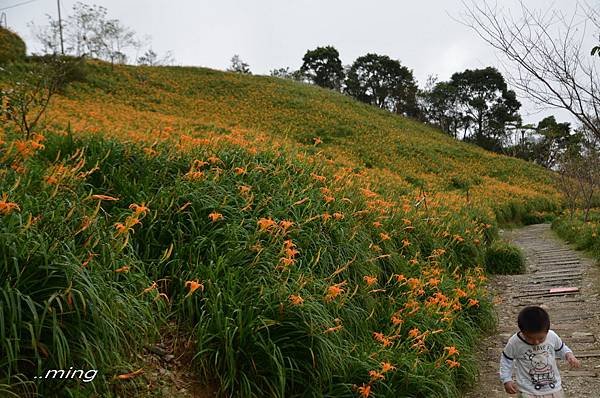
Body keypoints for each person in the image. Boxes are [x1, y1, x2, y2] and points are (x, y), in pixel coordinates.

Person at [499, 306, 581, 397]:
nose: (536, 342)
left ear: (547, 331)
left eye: (541, 338)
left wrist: (569, 355)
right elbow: (506, 360)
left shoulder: (552, 336)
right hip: (527, 390)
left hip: (554, 388)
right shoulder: (514, 343)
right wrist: (506, 379)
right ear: (522, 331)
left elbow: (561, 348)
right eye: (530, 338)